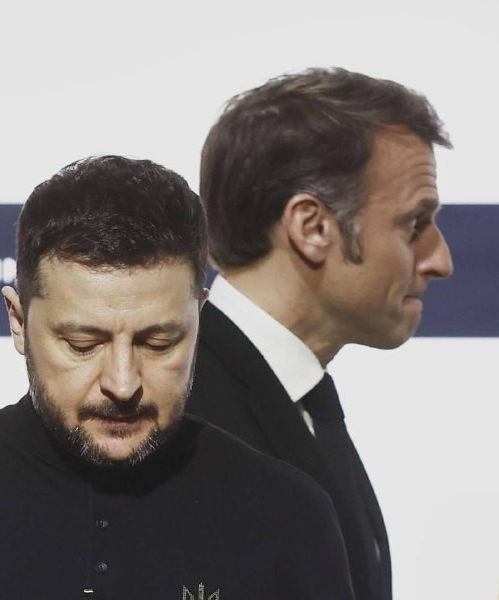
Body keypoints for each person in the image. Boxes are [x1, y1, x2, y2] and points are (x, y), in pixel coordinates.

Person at [0, 155, 354, 599]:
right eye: (83, 344)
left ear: (199, 319)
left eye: (158, 342)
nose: (123, 383)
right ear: (19, 322)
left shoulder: (290, 519)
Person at [187, 68, 454, 600]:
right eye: (414, 224)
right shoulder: (177, 413)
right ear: (311, 227)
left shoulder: (297, 399)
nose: (440, 260)